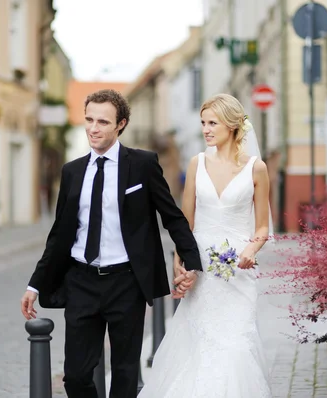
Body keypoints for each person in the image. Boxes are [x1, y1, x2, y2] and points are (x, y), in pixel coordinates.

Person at [20, 89, 202, 398]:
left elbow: (171, 216)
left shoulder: (142, 165)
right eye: (89, 120)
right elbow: (60, 235)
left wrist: (192, 261)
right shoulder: (73, 171)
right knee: (75, 377)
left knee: (125, 374)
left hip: (126, 283)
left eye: (103, 122)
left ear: (121, 124)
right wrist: (35, 285)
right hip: (81, 281)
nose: (93, 128)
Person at [138, 93, 273, 397]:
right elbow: (184, 222)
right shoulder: (197, 163)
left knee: (237, 342)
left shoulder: (256, 168)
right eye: (203, 122)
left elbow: (262, 225)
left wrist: (252, 249)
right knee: (200, 342)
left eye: (213, 122)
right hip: (202, 267)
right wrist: (180, 261)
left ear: (232, 125)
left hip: (238, 270)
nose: (206, 129)